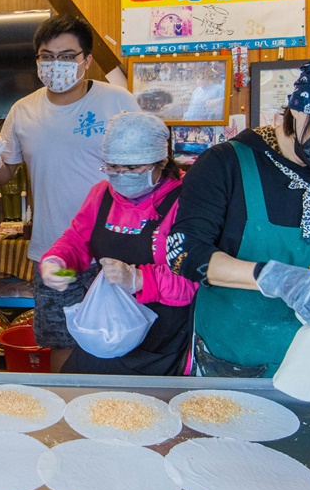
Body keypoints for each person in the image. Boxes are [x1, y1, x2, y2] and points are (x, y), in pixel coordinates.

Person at [167, 46, 310, 377]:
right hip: (232, 359)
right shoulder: (225, 164)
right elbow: (183, 252)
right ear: (302, 107)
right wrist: (272, 277)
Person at [0, 15, 138, 370]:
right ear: (37, 61)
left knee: (116, 338)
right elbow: (3, 177)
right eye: (47, 56)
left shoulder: (117, 101)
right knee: (60, 340)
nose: (56, 65)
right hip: (55, 258)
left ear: (87, 60)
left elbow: (148, 167)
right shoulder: (24, 110)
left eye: (67, 56)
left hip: (110, 253)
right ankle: (69, 413)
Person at [40, 112, 198, 375]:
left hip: (162, 342)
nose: (121, 175)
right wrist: (57, 261)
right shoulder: (100, 195)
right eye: (113, 167)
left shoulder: (188, 202)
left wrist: (138, 279)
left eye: (133, 168)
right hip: (106, 332)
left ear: (162, 161)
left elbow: (194, 278)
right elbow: (76, 240)